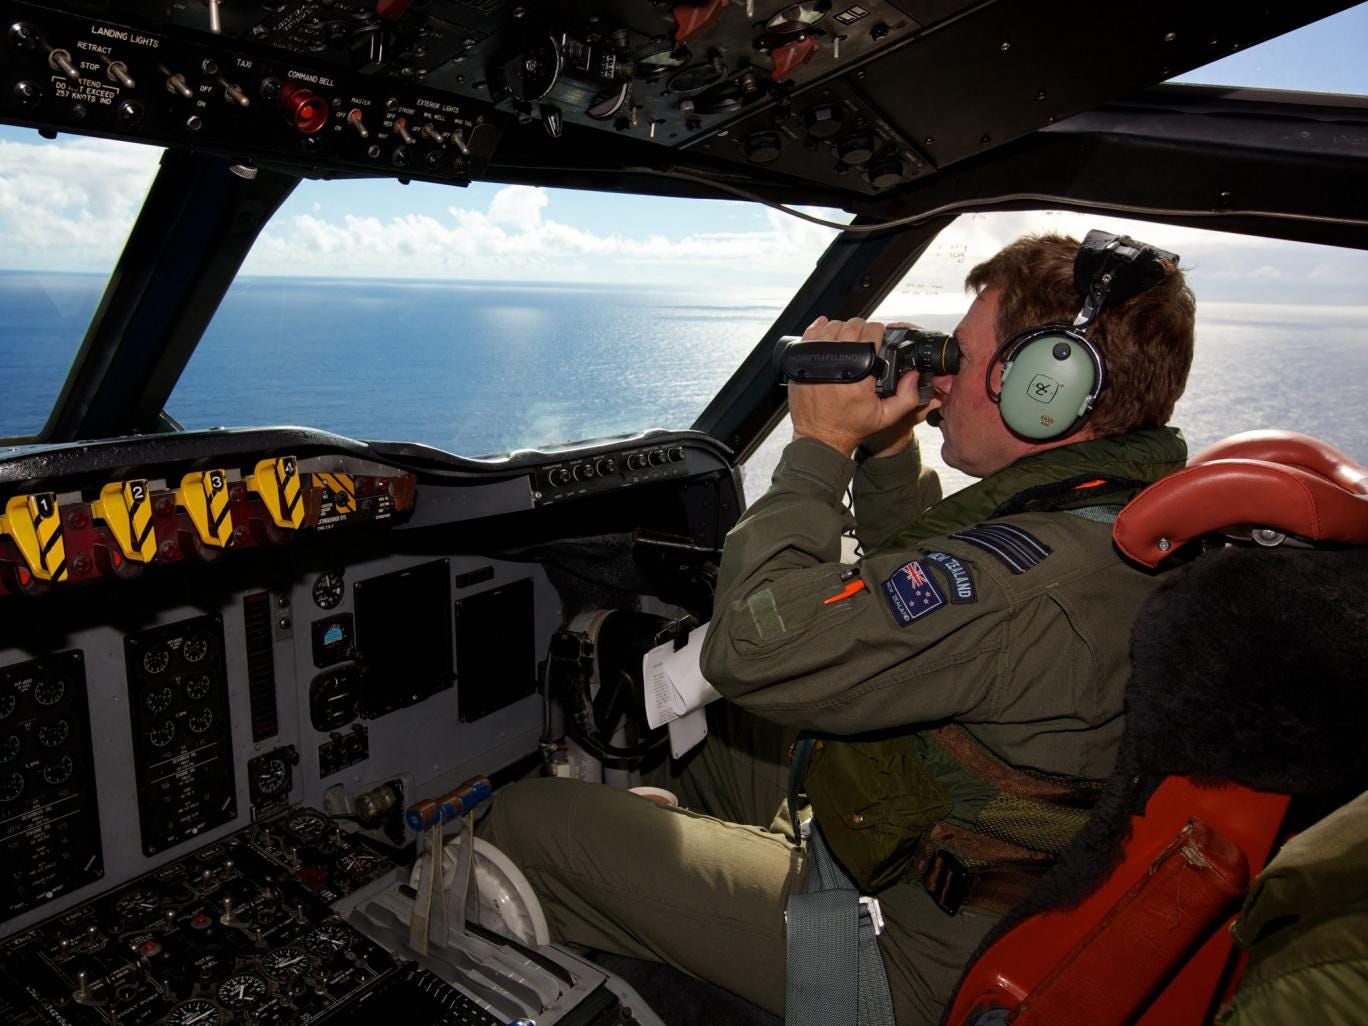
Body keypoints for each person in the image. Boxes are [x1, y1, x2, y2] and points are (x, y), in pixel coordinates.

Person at [483, 232, 1196, 1025]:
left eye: (961, 357)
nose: (941, 378)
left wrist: (820, 446)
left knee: (526, 822)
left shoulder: (1032, 582)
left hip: (913, 956)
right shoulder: (1111, 514)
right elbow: (917, 599)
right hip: (940, 849)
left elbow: (749, 648)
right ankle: (647, 879)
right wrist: (887, 450)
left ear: (1045, 388)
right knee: (716, 738)